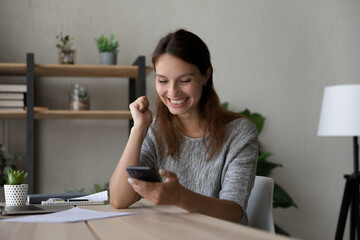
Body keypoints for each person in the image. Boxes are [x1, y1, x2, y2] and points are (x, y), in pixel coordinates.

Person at [109, 29, 258, 224]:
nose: (172, 91)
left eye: (185, 80)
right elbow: (119, 200)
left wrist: (180, 197)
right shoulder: (155, 131)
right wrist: (138, 129)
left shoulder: (239, 133)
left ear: (206, 75)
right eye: (162, 80)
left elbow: (233, 211)